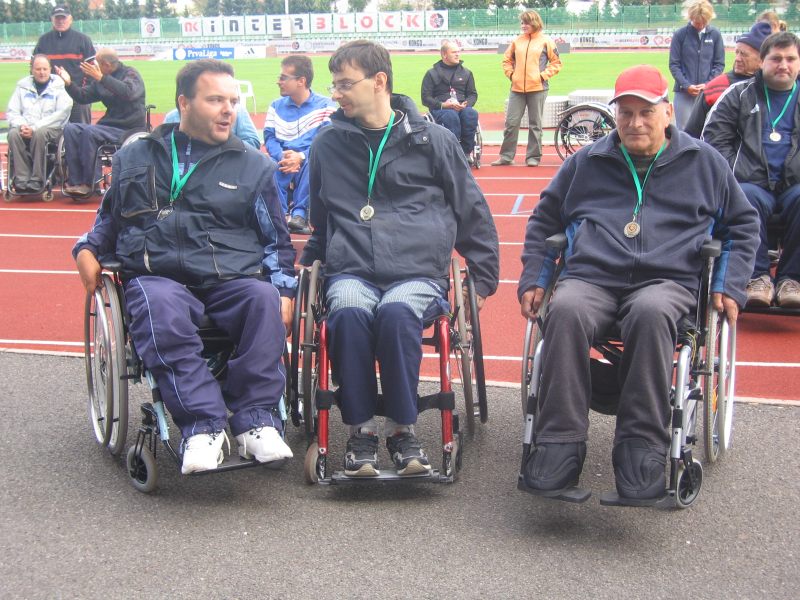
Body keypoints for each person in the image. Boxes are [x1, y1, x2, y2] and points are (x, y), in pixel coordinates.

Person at [517, 65, 758, 500]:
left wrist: (729, 283)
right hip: (592, 277)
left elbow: (742, 227)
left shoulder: (705, 163)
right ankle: (559, 443)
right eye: (625, 113)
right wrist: (536, 275)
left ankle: (641, 447)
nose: (635, 122)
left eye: (646, 112)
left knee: (650, 313)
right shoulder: (585, 162)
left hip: (666, 281)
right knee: (565, 310)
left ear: (668, 112)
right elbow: (544, 220)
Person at [72, 59, 296, 475]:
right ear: (184, 103)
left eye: (233, 101)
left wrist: (284, 290)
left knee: (262, 298)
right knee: (158, 305)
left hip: (229, 276)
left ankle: (257, 420)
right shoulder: (135, 156)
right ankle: (203, 426)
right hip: (159, 276)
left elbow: (276, 240)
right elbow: (108, 220)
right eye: (216, 100)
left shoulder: (255, 166)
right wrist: (86, 249)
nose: (229, 110)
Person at [301, 40, 499, 477]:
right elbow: (321, 218)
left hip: (416, 271)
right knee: (347, 312)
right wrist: (307, 267)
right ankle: (361, 432)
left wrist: (483, 280)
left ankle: (402, 430)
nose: (336, 93)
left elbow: (471, 209)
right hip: (352, 268)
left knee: (395, 314)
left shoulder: (435, 140)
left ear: (379, 81)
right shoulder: (327, 145)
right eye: (334, 85)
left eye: (344, 84)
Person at [703, 32, 800, 309]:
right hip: (750, 184)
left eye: (791, 59)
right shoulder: (738, 95)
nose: (783, 65)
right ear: (762, 61)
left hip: (794, 185)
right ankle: (756, 277)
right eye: (776, 58)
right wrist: (734, 175)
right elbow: (713, 142)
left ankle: (792, 279)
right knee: (744, 197)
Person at [56, 47, 146, 196]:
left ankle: (90, 183)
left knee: (89, 132)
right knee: (71, 129)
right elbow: (82, 97)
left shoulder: (130, 74)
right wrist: (69, 83)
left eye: (97, 63)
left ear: (106, 64)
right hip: (108, 126)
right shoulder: (100, 79)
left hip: (129, 128)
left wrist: (102, 78)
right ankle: (75, 181)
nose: (94, 66)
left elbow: (128, 92)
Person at [264, 55, 336, 233]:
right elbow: (269, 137)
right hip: (282, 159)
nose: (278, 81)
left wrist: (301, 156)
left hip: (308, 157)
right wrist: (282, 156)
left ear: (301, 81)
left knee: (315, 162)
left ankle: (299, 215)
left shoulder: (326, 106)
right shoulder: (275, 106)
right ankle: (278, 215)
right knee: (267, 165)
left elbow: (326, 141)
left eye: (283, 77)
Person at [493, 9, 561, 167]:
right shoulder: (517, 41)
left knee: (535, 124)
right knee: (511, 123)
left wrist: (542, 76)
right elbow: (506, 61)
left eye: (526, 23)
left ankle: (533, 156)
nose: (523, 26)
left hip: (538, 88)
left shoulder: (546, 41)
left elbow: (556, 63)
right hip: (516, 89)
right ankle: (506, 156)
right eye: (522, 23)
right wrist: (512, 75)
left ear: (534, 23)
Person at [684, 22, 770, 138]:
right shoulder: (716, 87)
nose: (737, 59)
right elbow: (692, 134)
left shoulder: (774, 87)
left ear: (762, 59)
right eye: (737, 52)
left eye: (744, 54)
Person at [5, 54, 72, 193]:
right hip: (26, 127)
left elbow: (61, 114)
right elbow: (12, 111)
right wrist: (22, 125)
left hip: (52, 129)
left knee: (40, 133)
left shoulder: (59, 87)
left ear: (50, 70)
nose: (42, 72)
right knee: (13, 134)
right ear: (32, 70)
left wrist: (35, 128)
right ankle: (22, 179)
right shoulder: (22, 87)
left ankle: (37, 179)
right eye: (38, 69)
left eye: (45, 69)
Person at [33, 5, 95, 124]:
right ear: (52, 19)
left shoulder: (83, 40)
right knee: (49, 129)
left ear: (70, 19)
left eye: (63, 18)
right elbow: (34, 67)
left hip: (77, 94)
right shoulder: (43, 41)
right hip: (50, 95)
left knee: (81, 129)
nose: (60, 21)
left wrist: (83, 92)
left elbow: (92, 68)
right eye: (57, 18)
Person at [668, 0, 725, 130]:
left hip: (708, 93)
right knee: (684, 131)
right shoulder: (680, 35)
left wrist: (708, 84)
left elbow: (719, 64)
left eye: (704, 22)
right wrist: (686, 85)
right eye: (697, 22)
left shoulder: (715, 35)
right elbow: (674, 64)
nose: (700, 25)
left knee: (708, 128)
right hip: (684, 93)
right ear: (691, 17)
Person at [421, 41, 479, 162]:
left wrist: (466, 104)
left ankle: (466, 152)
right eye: (454, 52)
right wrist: (443, 105)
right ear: (444, 55)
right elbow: (425, 98)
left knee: (471, 114)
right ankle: (453, 151)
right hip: (442, 108)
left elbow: (472, 94)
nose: (458, 54)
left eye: (458, 52)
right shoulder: (431, 74)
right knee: (450, 116)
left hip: (462, 106)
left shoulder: (466, 73)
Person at [164, 103, 261, 150]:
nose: (228, 110)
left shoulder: (238, 111)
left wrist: (222, 151)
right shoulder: (172, 117)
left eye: (233, 101)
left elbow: (253, 142)